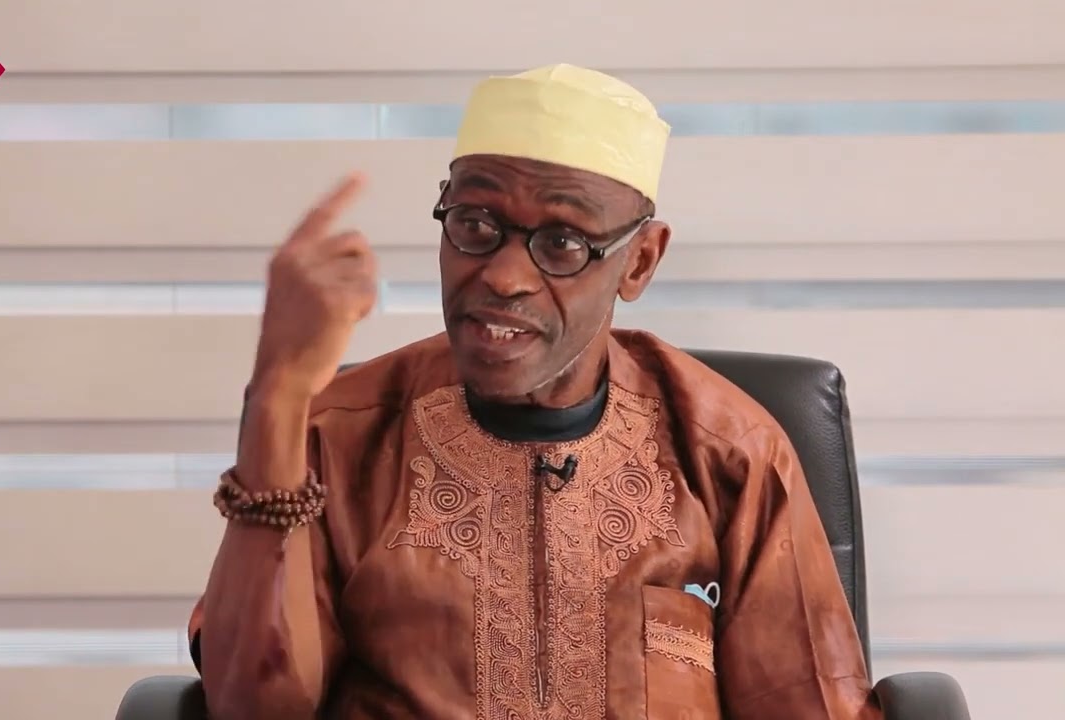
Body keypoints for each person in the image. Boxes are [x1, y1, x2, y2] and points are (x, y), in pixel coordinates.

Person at [187, 64, 881, 719]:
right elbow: (254, 705)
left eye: (562, 243)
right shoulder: (340, 434)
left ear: (639, 261)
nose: (503, 276)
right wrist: (279, 394)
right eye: (475, 226)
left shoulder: (729, 451)